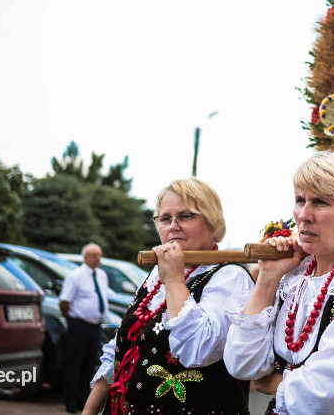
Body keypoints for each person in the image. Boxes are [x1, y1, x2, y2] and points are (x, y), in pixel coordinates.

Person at [224, 151, 334, 415]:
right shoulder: (295, 276)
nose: (303, 215)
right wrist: (268, 278)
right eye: (300, 200)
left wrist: (274, 382)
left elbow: (329, 394)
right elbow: (242, 363)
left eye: (320, 202)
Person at [83, 178, 254, 415]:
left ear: (213, 223)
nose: (173, 226)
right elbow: (121, 348)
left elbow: (199, 350)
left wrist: (174, 280)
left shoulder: (230, 277)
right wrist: (90, 410)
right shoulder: (157, 273)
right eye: (165, 218)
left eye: (185, 216)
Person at [59, 242, 109, 413]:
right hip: (79, 325)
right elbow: (64, 302)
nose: (98, 258)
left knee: (89, 364)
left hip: (95, 327)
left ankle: (83, 400)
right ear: (86, 257)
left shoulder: (101, 275)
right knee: (75, 364)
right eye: (94, 255)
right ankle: (71, 401)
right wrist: (72, 321)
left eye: (100, 255)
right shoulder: (76, 275)